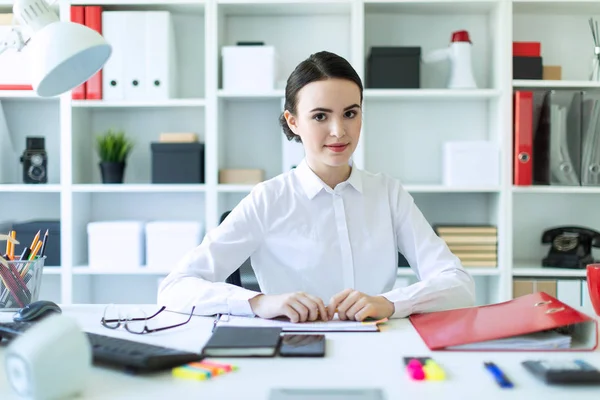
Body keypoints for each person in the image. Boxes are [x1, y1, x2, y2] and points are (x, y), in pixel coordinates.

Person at [158, 51, 475, 323]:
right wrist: (259, 303)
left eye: (350, 113)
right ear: (293, 121)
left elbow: (459, 285)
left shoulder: (389, 195)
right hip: (293, 346)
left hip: (377, 344)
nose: (339, 131)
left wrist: (391, 303)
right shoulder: (269, 198)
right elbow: (175, 287)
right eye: (320, 116)